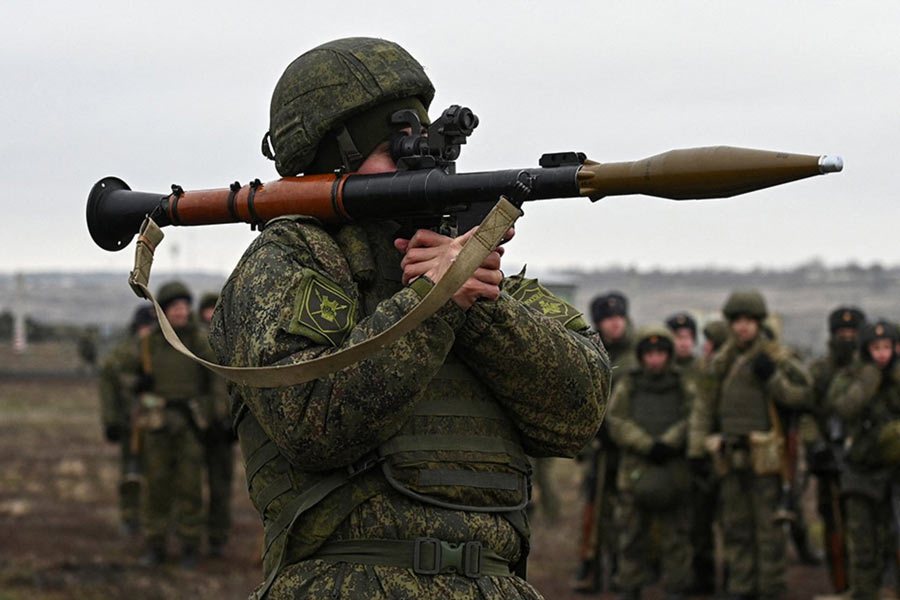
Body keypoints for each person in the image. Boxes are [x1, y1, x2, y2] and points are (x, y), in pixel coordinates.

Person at [208, 37, 610, 599]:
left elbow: (578, 412)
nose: (423, 160)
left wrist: (478, 303)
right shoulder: (294, 259)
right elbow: (312, 421)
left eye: (425, 143)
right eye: (392, 147)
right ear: (333, 160)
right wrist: (434, 301)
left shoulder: (484, 277)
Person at [688, 290, 812, 600]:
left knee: (769, 531)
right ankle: (740, 587)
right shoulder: (721, 361)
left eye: (749, 321)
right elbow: (704, 406)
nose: (743, 327)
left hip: (768, 460)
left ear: (759, 323)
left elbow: (803, 397)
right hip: (730, 457)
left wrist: (772, 378)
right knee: (735, 528)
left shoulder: (776, 358)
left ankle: (771, 589)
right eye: (737, 321)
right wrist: (696, 450)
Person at [120, 281, 214, 568]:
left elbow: (216, 380)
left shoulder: (199, 341)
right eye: (175, 307)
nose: (181, 311)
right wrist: (137, 383)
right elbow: (121, 375)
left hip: (189, 423)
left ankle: (189, 545)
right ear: (162, 311)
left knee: (190, 487)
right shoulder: (148, 344)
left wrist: (216, 414)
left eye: (185, 306)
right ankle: (155, 544)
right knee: (156, 487)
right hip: (156, 424)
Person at [606, 325, 693, 600]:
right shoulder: (629, 384)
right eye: (649, 353)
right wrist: (646, 444)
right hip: (635, 471)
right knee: (631, 536)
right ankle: (629, 586)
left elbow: (695, 418)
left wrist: (669, 442)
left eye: (660, 353)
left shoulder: (682, 384)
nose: (655, 359)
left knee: (675, 537)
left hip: (673, 471)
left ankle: (675, 587)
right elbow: (616, 420)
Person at [827, 320, 900, 600]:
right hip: (860, 470)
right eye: (875, 348)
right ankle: (864, 592)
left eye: (887, 347)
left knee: (892, 538)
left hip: (894, 472)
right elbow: (844, 407)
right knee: (863, 540)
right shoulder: (851, 376)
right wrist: (869, 379)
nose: (882, 353)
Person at [572, 291, 636, 593]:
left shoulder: (636, 357)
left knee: (625, 513)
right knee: (593, 510)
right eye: (609, 319)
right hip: (599, 447)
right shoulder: (591, 352)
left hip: (628, 448)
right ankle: (591, 567)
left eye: (619, 317)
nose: (615, 324)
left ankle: (623, 571)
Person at [803, 306, 866, 590]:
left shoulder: (870, 371)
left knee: (866, 526)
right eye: (842, 333)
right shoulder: (820, 370)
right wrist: (816, 444)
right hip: (829, 455)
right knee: (833, 526)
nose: (847, 338)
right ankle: (840, 585)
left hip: (864, 457)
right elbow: (806, 412)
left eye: (853, 333)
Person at [98, 305, 156, 536]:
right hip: (128, 423)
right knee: (130, 473)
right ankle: (130, 517)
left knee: (157, 474)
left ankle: (155, 518)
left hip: (155, 423)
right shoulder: (122, 354)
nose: (147, 331)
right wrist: (110, 422)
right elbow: (110, 389)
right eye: (144, 326)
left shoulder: (162, 351)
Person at [197, 291, 236, 557]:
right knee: (187, 486)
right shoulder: (191, 343)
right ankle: (188, 536)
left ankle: (217, 539)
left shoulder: (234, 341)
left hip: (225, 428)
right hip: (197, 426)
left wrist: (231, 422)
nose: (211, 315)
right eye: (207, 310)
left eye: (215, 309)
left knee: (221, 487)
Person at [665, 312, 700, 382]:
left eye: (687, 337)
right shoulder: (662, 369)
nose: (684, 343)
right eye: (678, 337)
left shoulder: (702, 369)